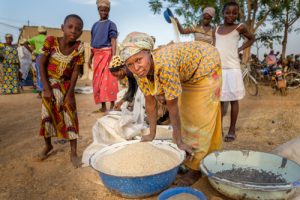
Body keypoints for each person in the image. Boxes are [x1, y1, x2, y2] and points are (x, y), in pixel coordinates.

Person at [120, 32, 222, 186]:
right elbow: (150, 102)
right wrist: (151, 134)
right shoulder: (140, 72)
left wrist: (178, 140)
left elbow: (172, 107)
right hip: (189, 71)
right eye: (130, 64)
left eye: (139, 60)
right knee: (187, 116)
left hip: (206, 64)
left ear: (149, 53)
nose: (136, 67)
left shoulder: (165, 65)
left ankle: (195, 169)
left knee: (199, 118)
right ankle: (189, 158)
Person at [38, 14, 85, 168]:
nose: (73, 31)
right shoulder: (51, 41)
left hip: (66, 87)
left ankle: (73, 152)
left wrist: (70, 93)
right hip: (50, 85)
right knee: (47, 116)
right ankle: (48, 145)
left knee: (71, 117)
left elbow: (75, 72)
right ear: (62, 28)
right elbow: (41, 63)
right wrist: (45, 88)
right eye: (70, 27)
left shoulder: (79, 47)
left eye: (78, 29)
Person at [213, 1, 254, 142]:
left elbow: (251, 38)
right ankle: (218, 129)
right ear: (222, 13)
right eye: (228, 12)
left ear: (237, 14)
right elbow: (214, 46)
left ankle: (231, 129)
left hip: (233, 68)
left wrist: (239, 49)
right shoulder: (216, 29)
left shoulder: (240, 27)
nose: (231, 15)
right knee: (218, 101)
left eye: (234, 13)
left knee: (233, 100)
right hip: (218, 69)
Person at [89, 0, 118, 112]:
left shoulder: (111, 24)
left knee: (109, 81)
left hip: (107, 54)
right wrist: (89, 58)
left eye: (106, 10)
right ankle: (103, 107)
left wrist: (114, 57)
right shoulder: (94, 26)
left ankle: (112, 105)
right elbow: (93, 44)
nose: (104, 12)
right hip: (97, 56)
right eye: (102, 10)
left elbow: (113, 40)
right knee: (98, 81)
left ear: (109, 11)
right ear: (98, 11)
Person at [25, 26, 47, 97]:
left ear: (38, 32)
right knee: (47, 73)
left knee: (39, 74)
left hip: (39, 57)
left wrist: (32, 51)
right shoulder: (48, 38)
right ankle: (48, 91)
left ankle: (40, 93)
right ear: (46, 32)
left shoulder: (35, 38)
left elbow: (25, 43)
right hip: (47, 57)